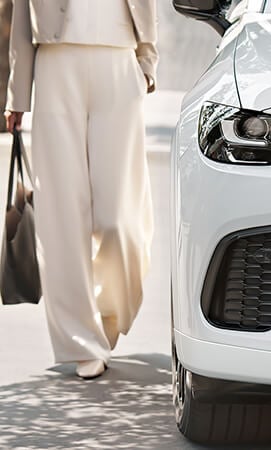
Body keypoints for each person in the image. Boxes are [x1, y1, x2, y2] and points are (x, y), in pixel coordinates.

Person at [4, 0, 158, 379]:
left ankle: (109, 313)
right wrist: (17, 94)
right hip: (56, 64)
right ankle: (80, 340)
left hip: (120, 64)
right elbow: (21, 12)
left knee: (117, 219)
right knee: (62, 216)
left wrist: (147, 64)